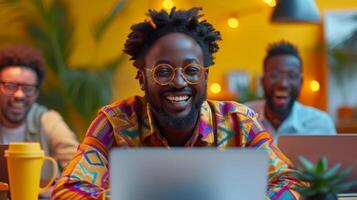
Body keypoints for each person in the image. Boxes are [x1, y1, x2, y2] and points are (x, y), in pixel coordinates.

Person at [52, 8, 302, 200]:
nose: (179, 82)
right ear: (142, 78)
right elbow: (67, 190)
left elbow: (291, 182)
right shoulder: (115, 122)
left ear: (204, 77)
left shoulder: (239, 122)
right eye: (163, 71)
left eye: (191, 70)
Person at [0, 45, 79, 185]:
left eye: (28, 89)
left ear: (36, 93)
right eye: (11, 86)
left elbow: (79, 166)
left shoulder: (48, 121)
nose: (19, 95)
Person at [246, 41, 336, 141]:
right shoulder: (241, 117)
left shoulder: (321, 124)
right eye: (274, 75)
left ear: (300, 82)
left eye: (292, 75)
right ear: (262, 81)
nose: (283, 84)